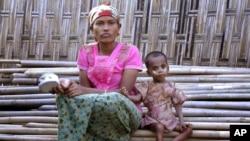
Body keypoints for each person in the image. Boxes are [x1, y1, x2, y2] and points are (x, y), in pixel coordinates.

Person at [50, 3, 143, 141]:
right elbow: (83, 92)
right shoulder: (85, 51)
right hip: (94, 108)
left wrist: (83, 90)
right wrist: (67, 85)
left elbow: (124, 94)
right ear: (92, 29)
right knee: (63, 97)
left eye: (111, 23)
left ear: (119, 28)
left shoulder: (130, 51)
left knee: (112, 100)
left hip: (124, 111)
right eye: (99, 23)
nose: (105, 28)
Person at [121, 51, 192, 141]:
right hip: (153, 120)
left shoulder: (171, 87)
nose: (160, 70)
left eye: (163, 66)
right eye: (155, 68)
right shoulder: (146, 86)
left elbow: (178, 104)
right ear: (149, 72)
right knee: (159, 127)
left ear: (168, 68)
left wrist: (181, 121)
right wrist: (128, 96)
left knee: (188, 130)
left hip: (170, 120)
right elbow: (138, 99)